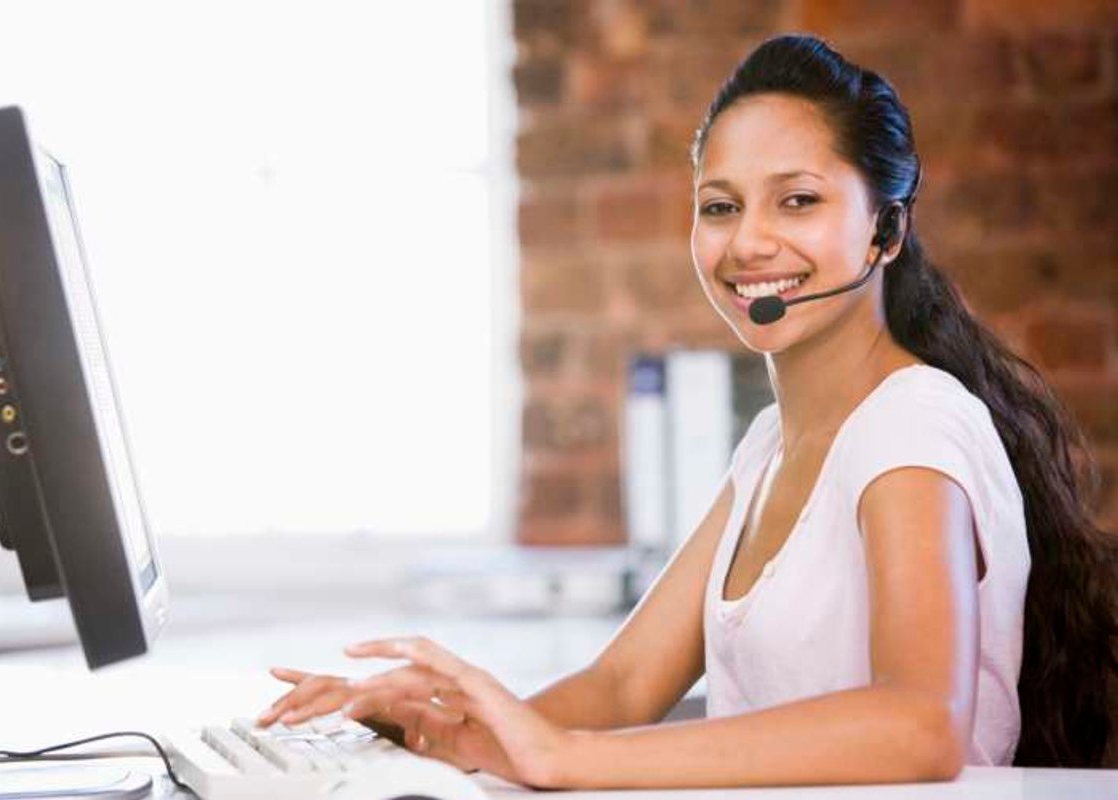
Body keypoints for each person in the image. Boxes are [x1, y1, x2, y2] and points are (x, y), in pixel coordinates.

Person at [257, 34, 1118, 789]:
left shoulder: (912, 426)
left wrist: (568, 761)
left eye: (799, 200)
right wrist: (443, 729)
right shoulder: (775, 443)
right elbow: (624, 687)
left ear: (884, 233)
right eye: (720, 206)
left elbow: (921, 726)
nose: (748, 243)